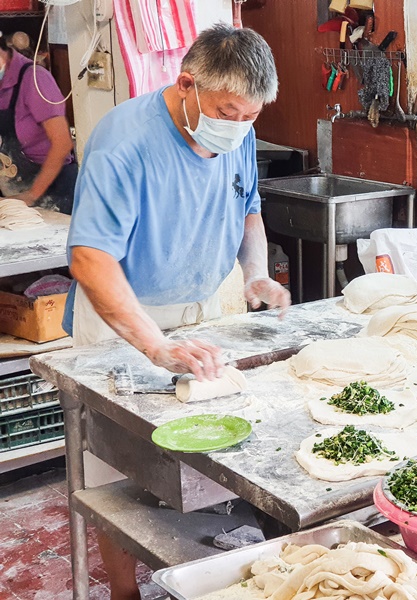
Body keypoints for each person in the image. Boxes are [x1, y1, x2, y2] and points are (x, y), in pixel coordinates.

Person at [64, 24, 290, 600]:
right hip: (125, 312)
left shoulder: (234, 132)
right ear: (186, 84)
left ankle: (220, 569)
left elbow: (249, 213)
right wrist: (155, 347)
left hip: (206, 304)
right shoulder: (125, 142)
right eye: (228, 112)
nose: (238, 127)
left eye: (251, 117)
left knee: (226, 441)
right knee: (114, 466)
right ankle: (122, 590)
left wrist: (257, 273)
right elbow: (91, 260)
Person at [0, 31, 76, 214]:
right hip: (13, 190)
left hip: (54, 191)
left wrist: (31, 195)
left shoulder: (34, 78)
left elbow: (62, 143)